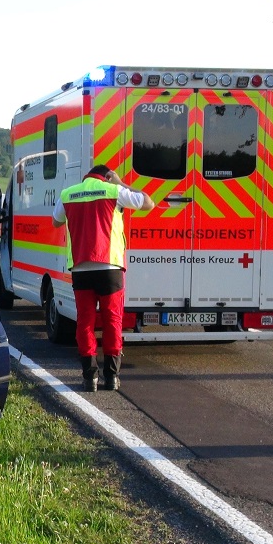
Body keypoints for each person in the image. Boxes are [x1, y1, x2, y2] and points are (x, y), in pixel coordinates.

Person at [53, 164, 156, 392]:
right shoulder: (114, 191)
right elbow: (149, 202)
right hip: (110, 267)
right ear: (107, 176)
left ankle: (90, 378)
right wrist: (119, 183)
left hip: (81, 268)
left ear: (87, 177)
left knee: (85, 322)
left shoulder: (69, 194)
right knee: (112, 321)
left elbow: (56, 221)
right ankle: (111, 377)